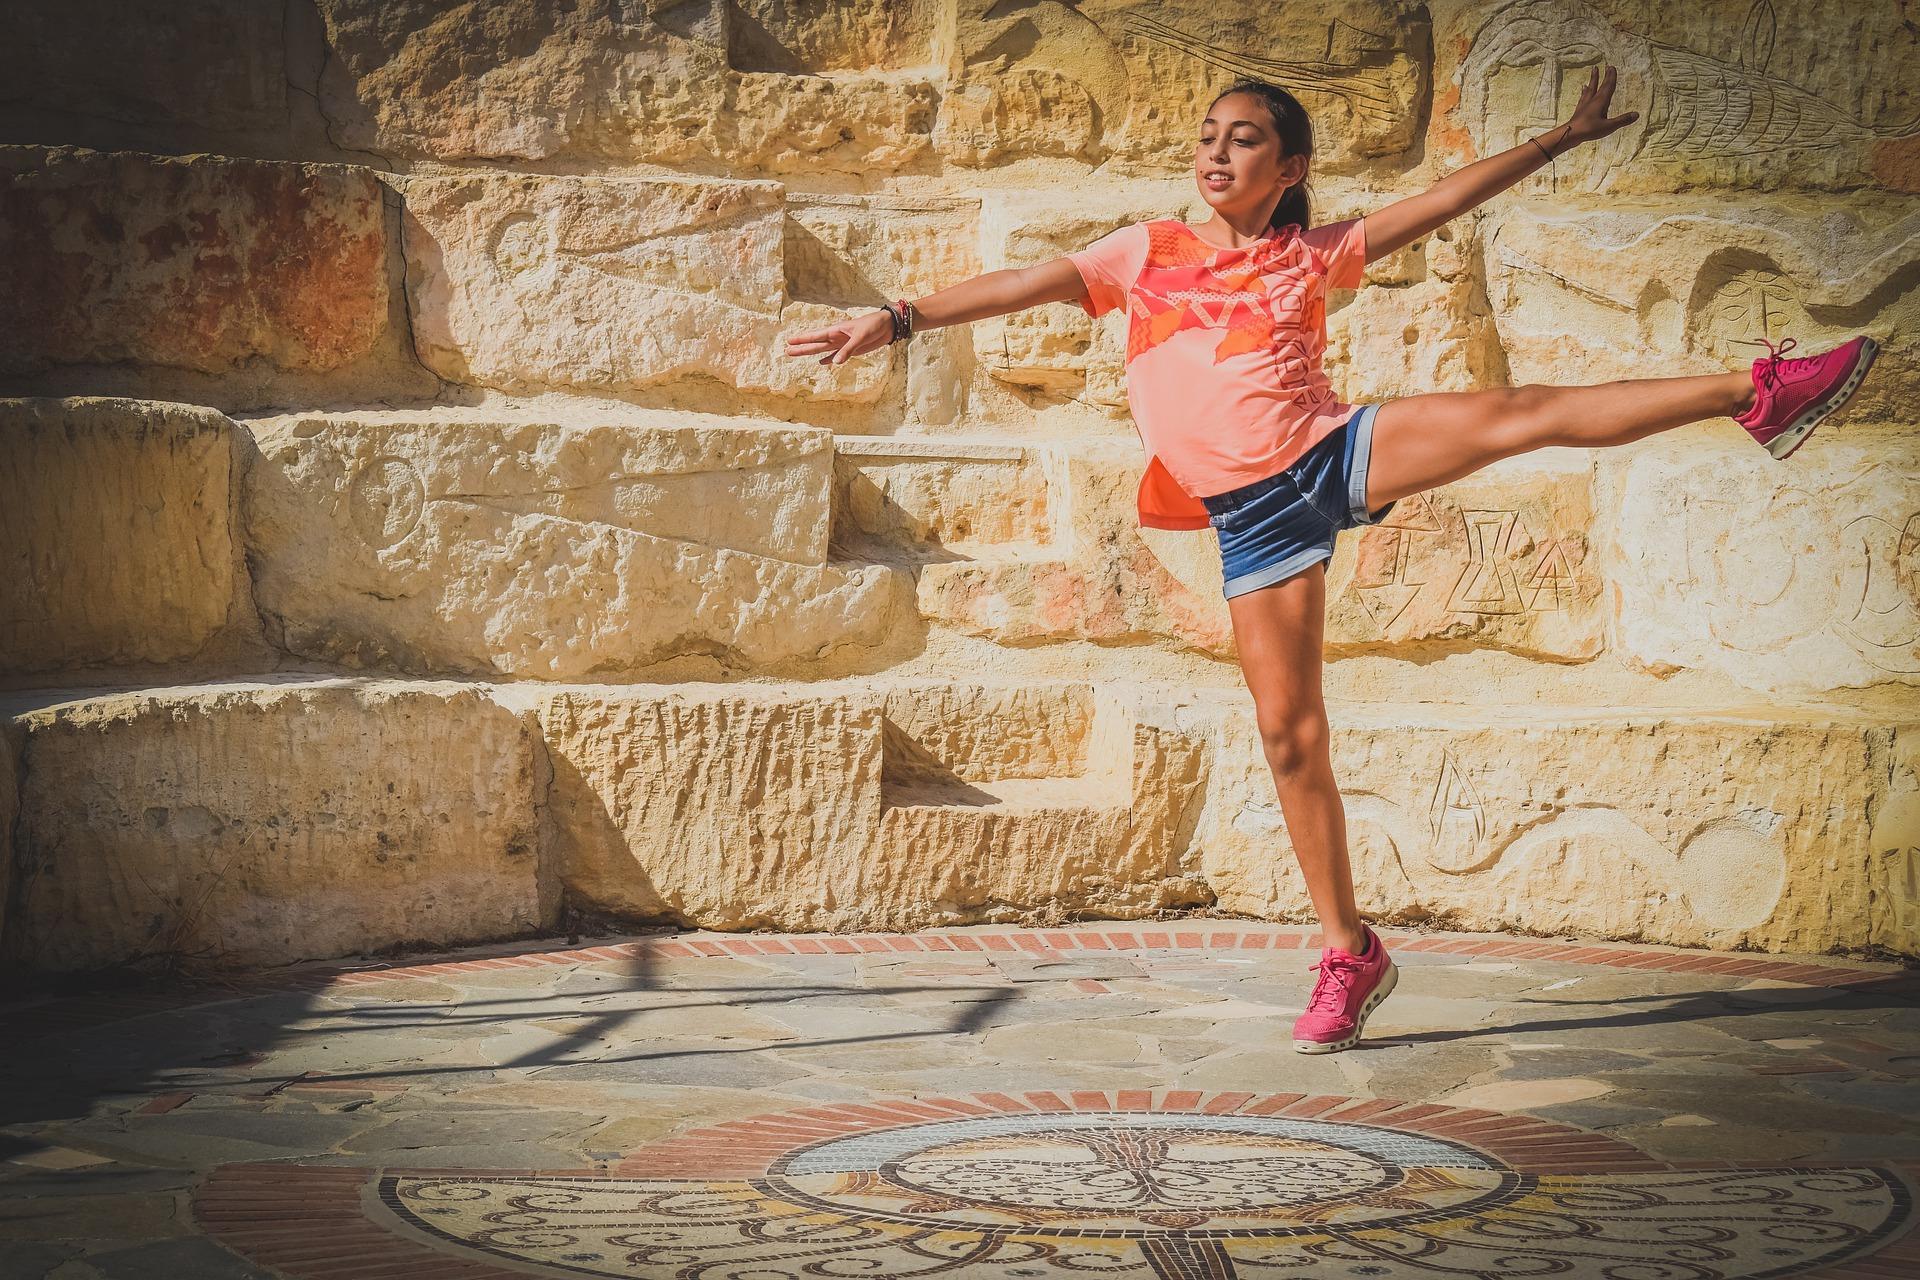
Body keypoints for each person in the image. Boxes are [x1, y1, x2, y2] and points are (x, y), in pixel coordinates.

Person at [782, 65, 1881, 1054]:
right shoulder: (1142, 252)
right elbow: (1022, 282)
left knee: (1520, 412)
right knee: (1289, 738)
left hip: (1332, 450)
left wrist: (1559, 139)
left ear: (1290, 168)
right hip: (1251, 517)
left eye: (1245, 138)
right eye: (1209, 136)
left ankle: (1758, 391)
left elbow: (1438, 204)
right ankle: (1350, 951)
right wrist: (898, 318)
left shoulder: (1311, 253)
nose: (1218, 152)